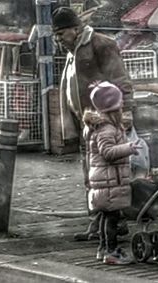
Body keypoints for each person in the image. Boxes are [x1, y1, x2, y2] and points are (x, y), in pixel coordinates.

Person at [51, 7, 134, 240]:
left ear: (75, 29)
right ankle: (97, 223)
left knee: (107, 176)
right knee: (92, 176)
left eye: (61, 34)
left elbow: (120, 79)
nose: (58, 40)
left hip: (104, 122)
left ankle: (113, 223)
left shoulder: (100, 44)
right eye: (55, 35)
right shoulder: (73, 49)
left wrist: (125, 112)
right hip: (86, 123)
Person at [83, 81, 140, 264]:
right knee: (112, 218)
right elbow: (107, 153)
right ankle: (111, 252)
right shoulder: (106, 129)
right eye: (120, 105)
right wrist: (128, 148)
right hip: (109, 181)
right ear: (113, 109)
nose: (122, 108)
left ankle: (102, 249)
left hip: (106, 181)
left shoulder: (105, 127)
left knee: (105, 216)